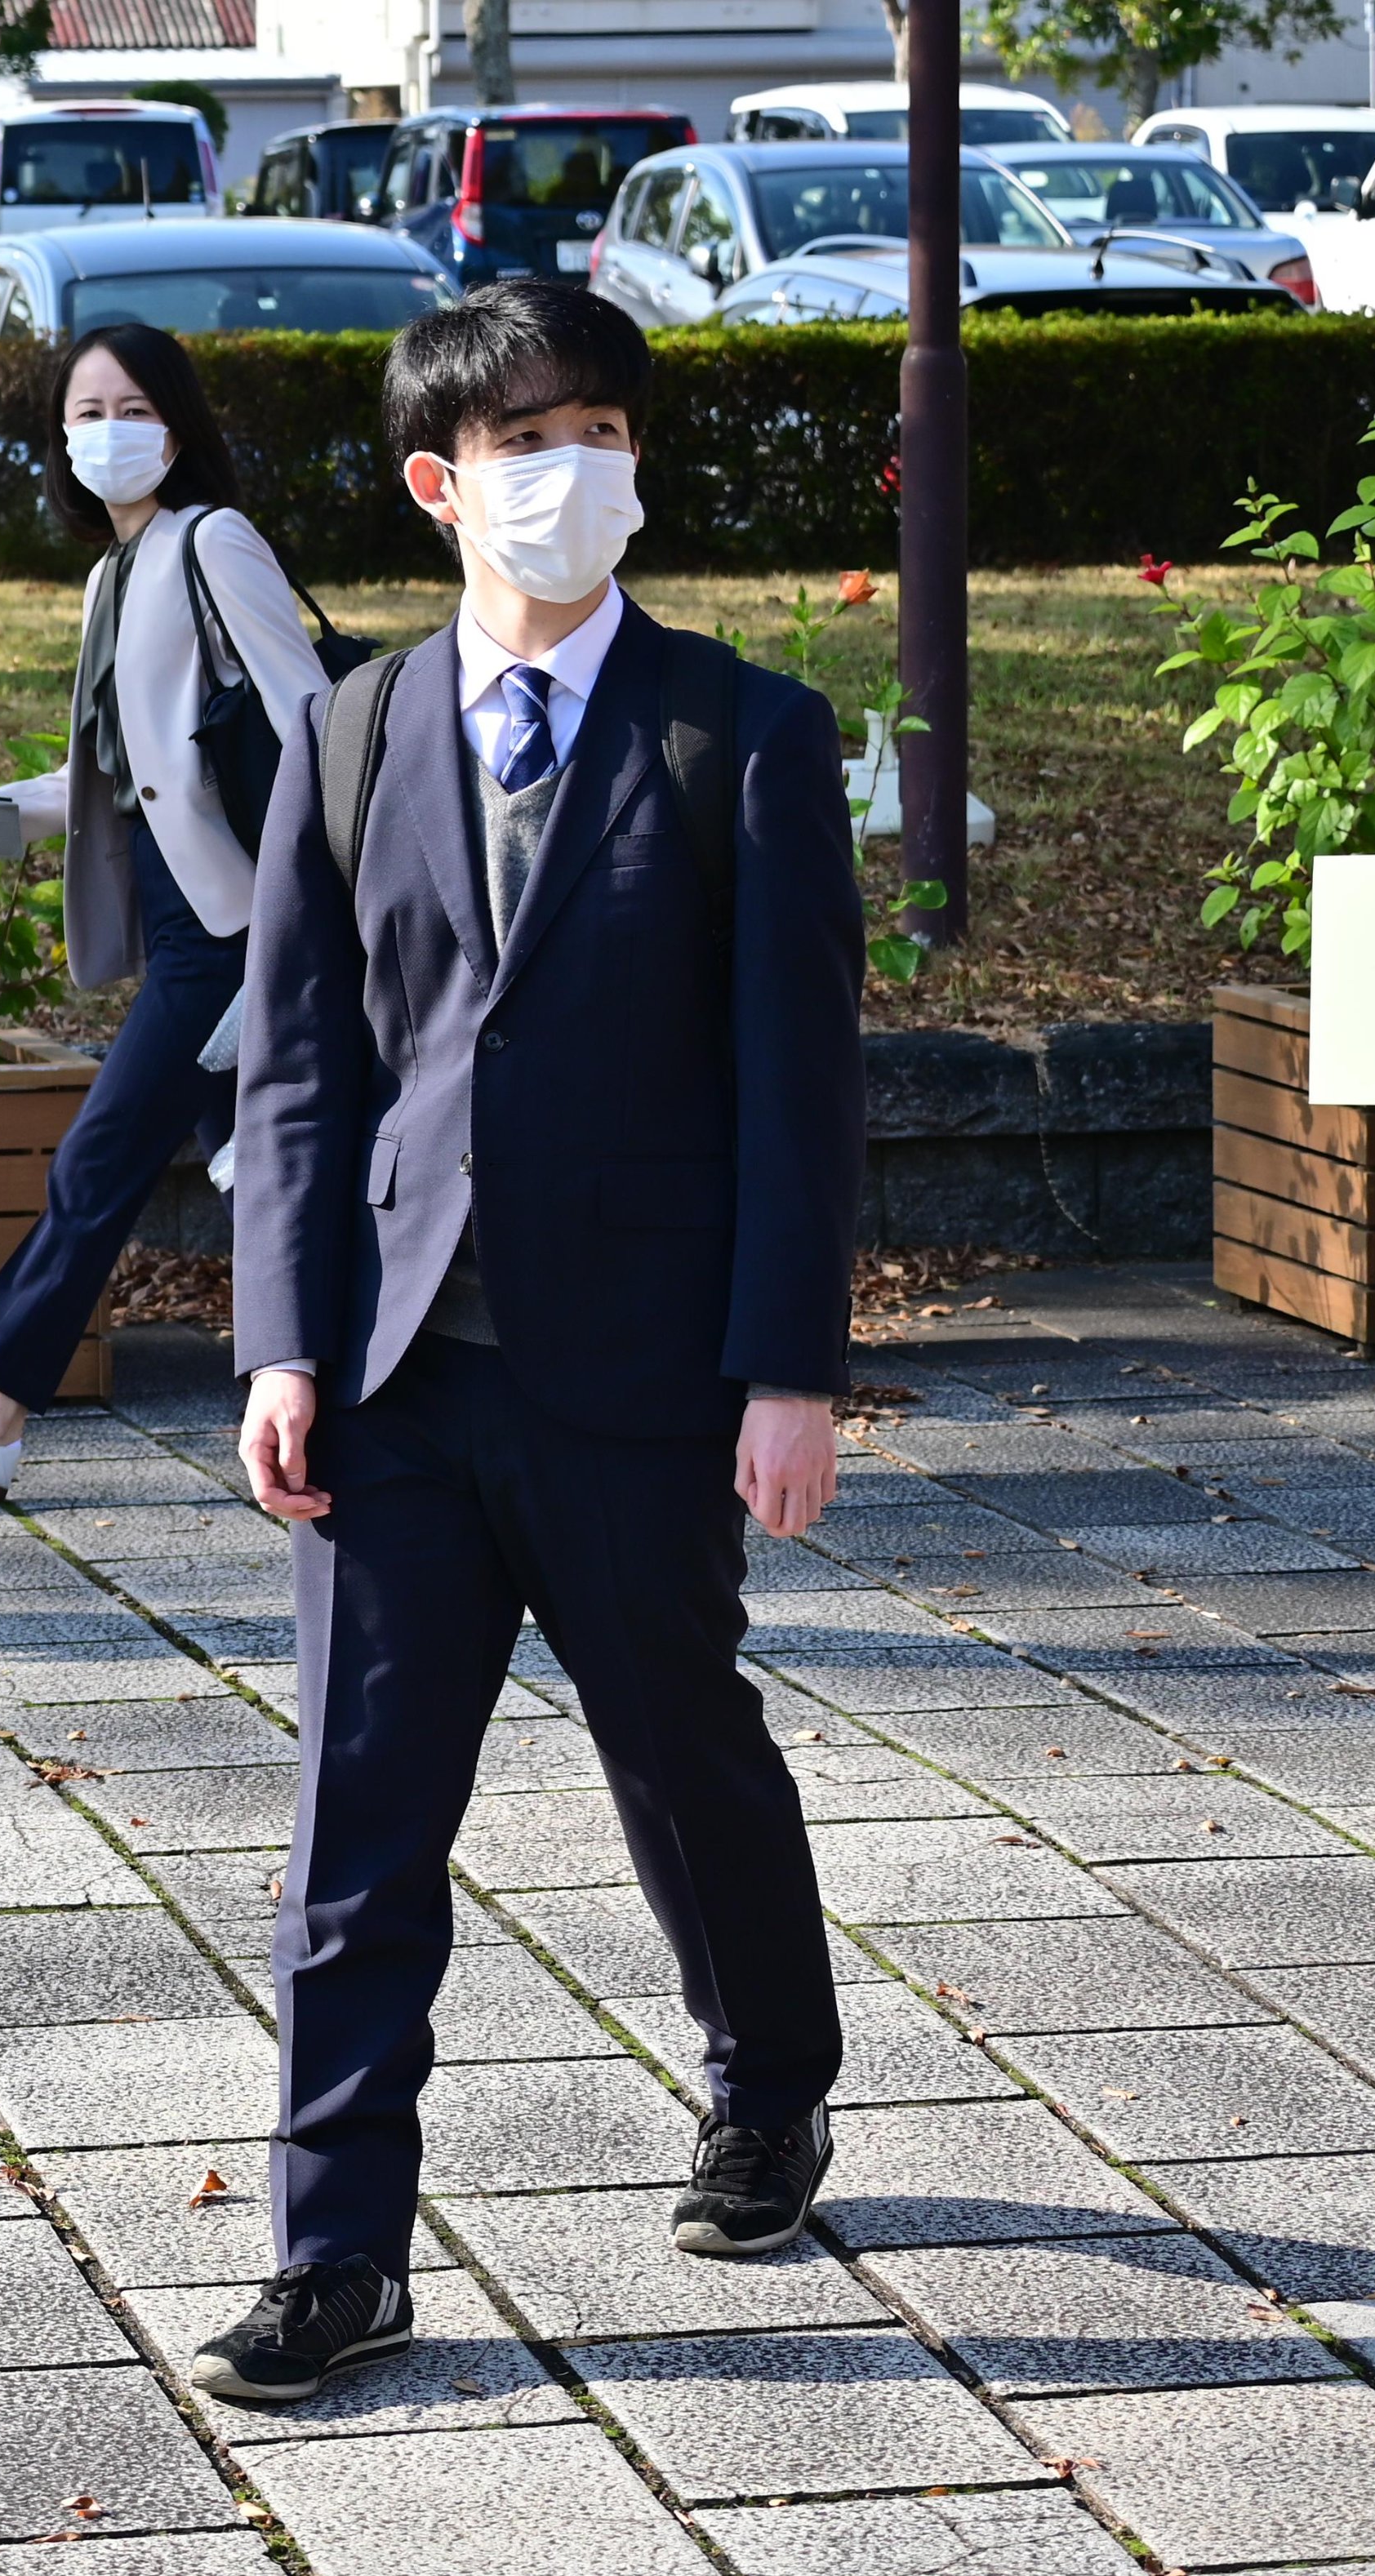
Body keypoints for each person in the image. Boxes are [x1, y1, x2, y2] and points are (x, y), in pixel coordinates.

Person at [193, 279, 867, 2402]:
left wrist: (788, 1372)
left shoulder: (740, 734)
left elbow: (798, 1089)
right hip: (395, 1374)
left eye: (600, 431)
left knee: (679, 1753)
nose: (569, 470)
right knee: (359, 1820)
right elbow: (299, 1070)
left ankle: (768, 2085)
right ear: (438, 480)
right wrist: (282, 1345)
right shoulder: (354, 731)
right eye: (522, 441)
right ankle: (335, 2251)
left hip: (641, 1373)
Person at [0, 323, 336, 1498]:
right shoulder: (111, 576)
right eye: (86, 414)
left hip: (233, 926)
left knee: (102, 1160)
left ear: (178, 426)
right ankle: (352, 1407)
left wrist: (307, 915)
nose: (109, 433)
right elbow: (113, 778)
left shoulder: (213, 541)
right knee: (262, 1174)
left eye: (133, 410)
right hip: (180, 916)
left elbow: (313, 723)